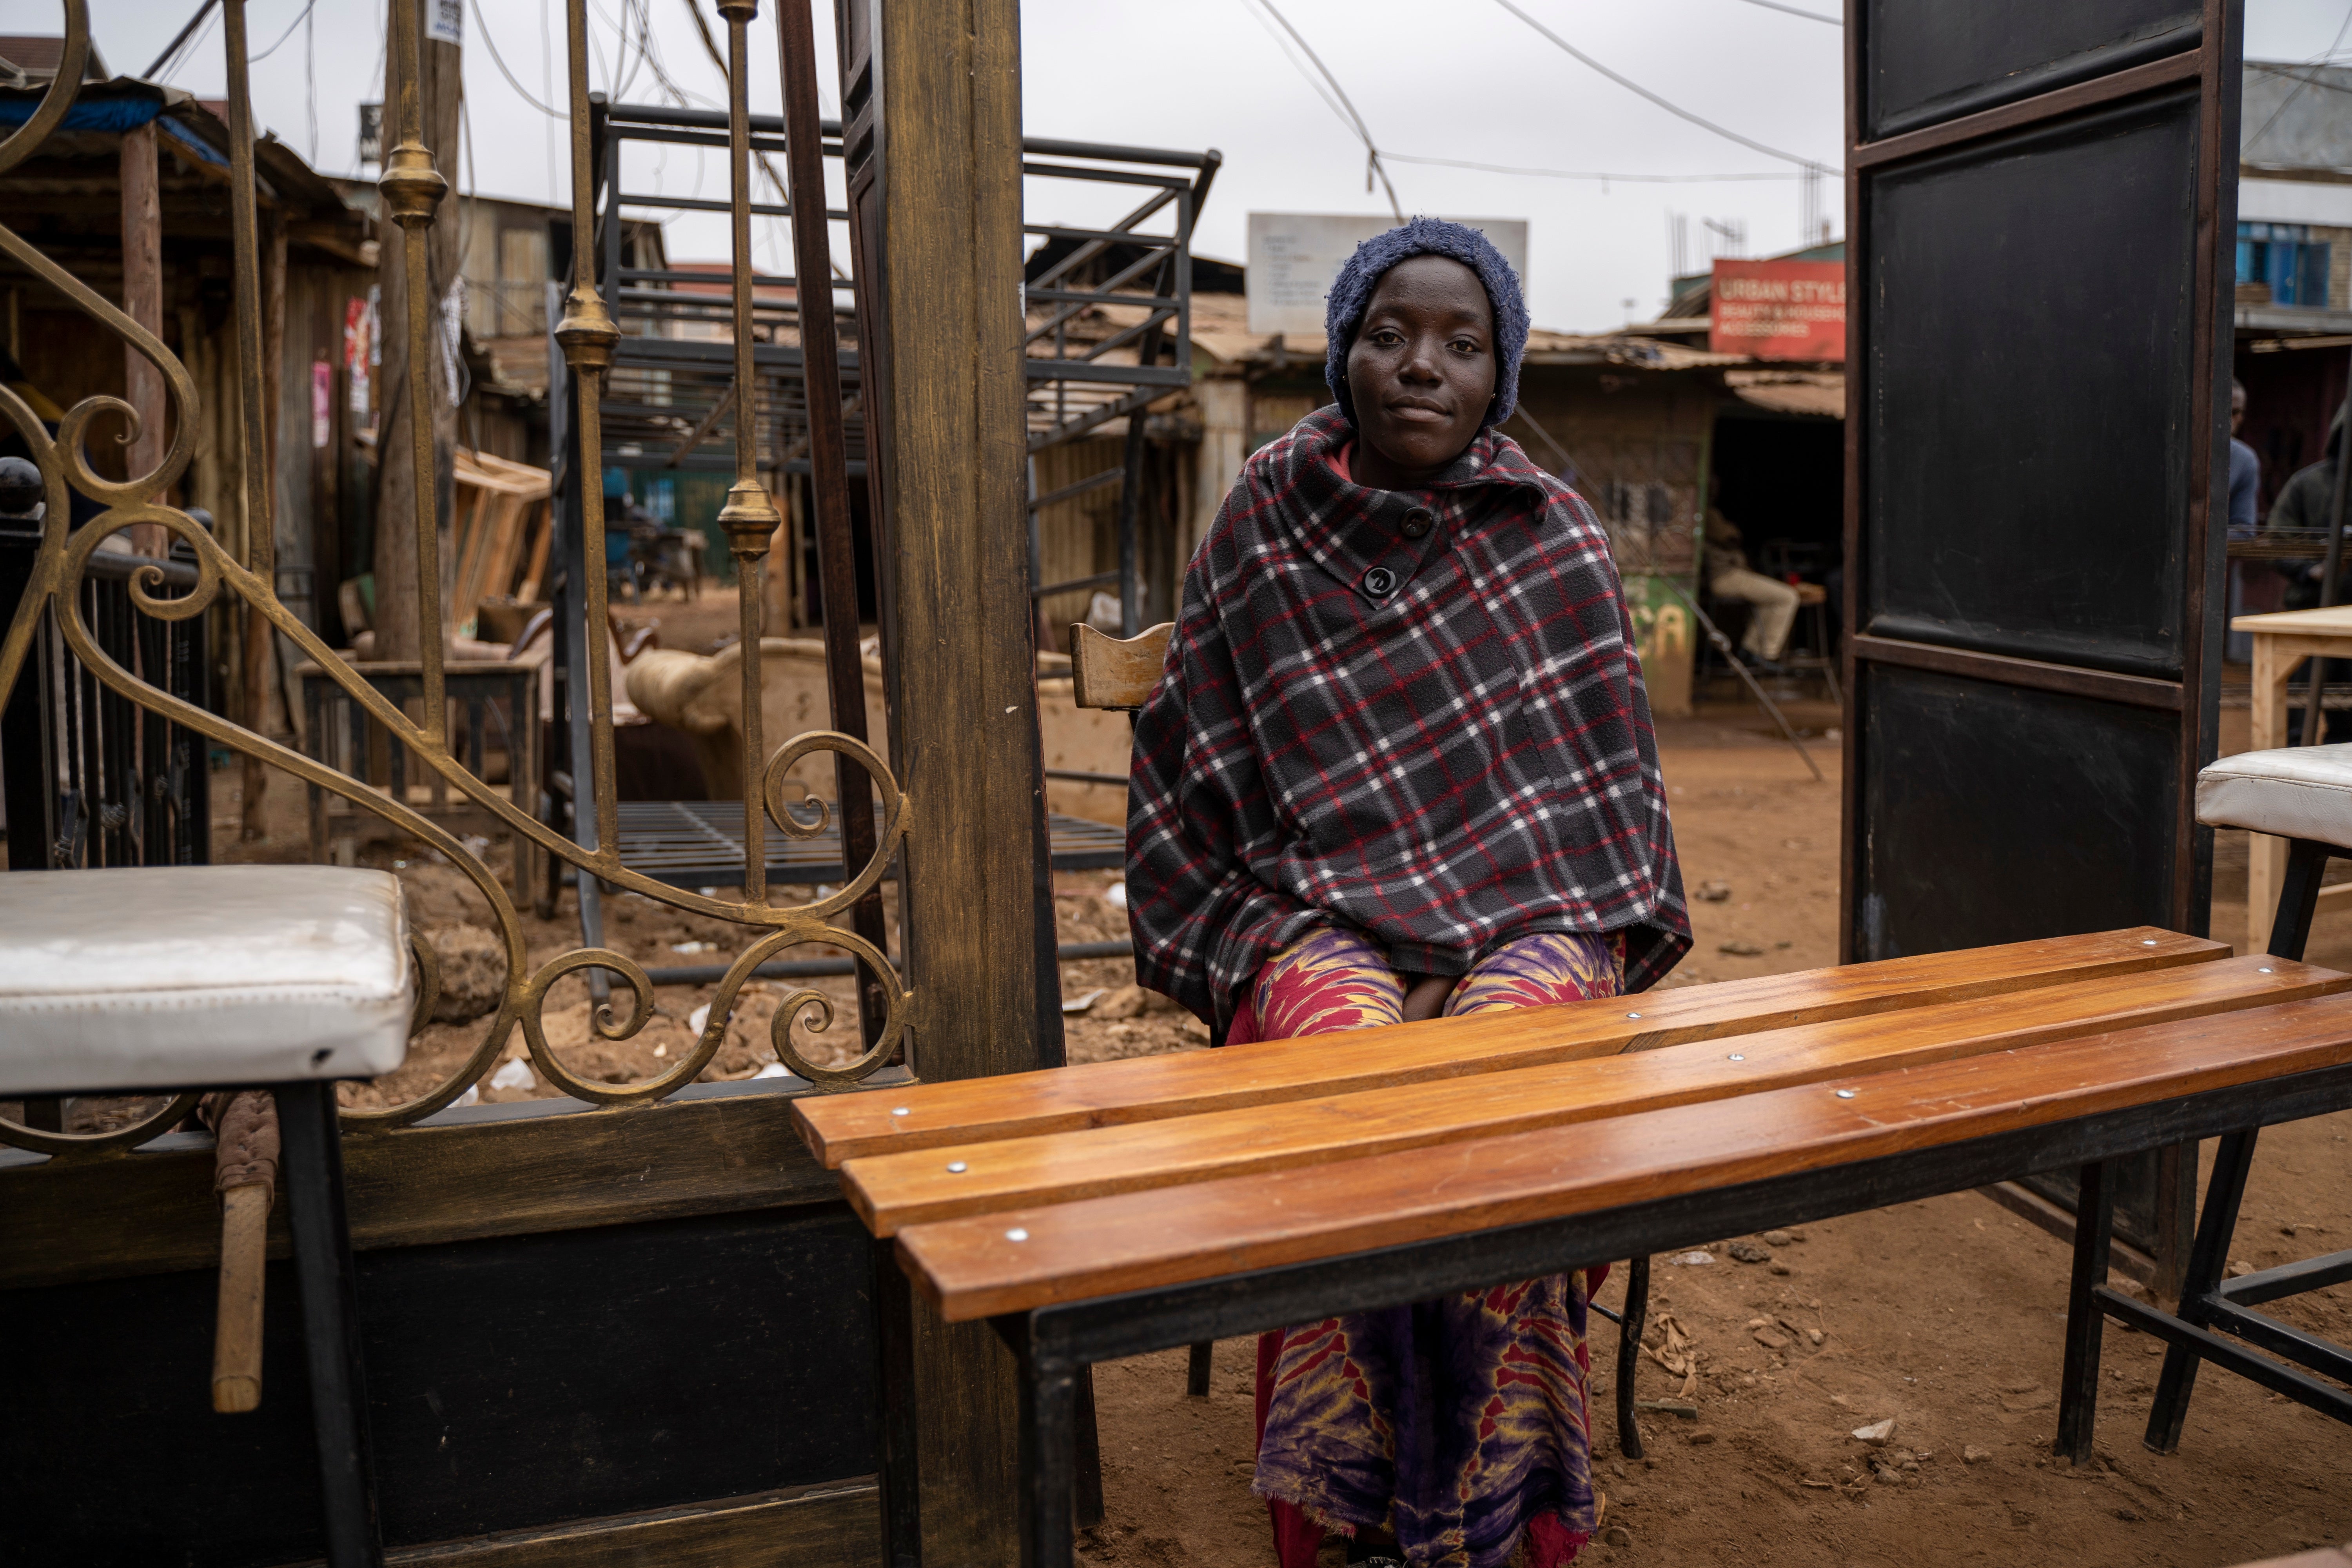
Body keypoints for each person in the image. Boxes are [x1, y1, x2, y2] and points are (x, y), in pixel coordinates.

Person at [1127, 218, 1690, 1568]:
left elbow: (1599, 807)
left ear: (1503, 373)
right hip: (1307, 913)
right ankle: (1337, 1516)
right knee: (1359, 1095)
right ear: (1341, 355)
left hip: (1531, 919)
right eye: (1388, 335)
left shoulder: (1551, 536)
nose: (1420, 366)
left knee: (1503, 1103)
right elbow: (1195, 768)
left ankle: (1490, 1524)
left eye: (1460, 341)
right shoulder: (1269, 509)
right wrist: (1375, 945)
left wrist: (1465, 950)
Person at [1701, 479, 1798, 667]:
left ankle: (1750, 650)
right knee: (1788, 596)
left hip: (1730, 575)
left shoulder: (1710, 513)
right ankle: (1768, 654)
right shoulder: (1708, 514)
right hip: (1725, 577)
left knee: (1770, 599)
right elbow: (1730, 536)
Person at [2229, 378, 2261, 540]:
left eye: (2237, 412)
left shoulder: (2243, 459)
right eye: (2231, 412)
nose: (2239, 419)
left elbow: (2244, 530)